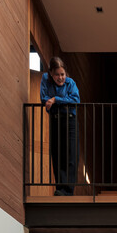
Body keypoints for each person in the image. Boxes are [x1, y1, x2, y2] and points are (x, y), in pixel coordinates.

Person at [40, 57, 80, 196]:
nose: (60, 78)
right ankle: (60, 188)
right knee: (57, 154)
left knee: (70, 155)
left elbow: (75, 100)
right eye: (57, 74)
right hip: (56, 120)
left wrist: (56, 99)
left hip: (70, 121)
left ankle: (68, 191)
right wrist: (59, 101)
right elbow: (44, 98)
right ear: (51, 73)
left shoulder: (70, 83)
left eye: (62, 74)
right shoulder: (45, 79)